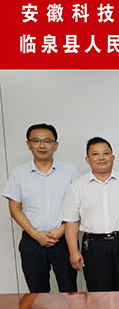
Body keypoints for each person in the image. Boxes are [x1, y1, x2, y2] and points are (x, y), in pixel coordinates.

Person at [2, 123, 81, 292]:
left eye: (47, 141)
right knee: (37, 293)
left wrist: (62, 230)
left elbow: (79, 206)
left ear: (56, 145)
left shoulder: (70, 171)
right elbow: (15, 208)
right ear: (28, 144)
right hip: (32, 240)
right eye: (36, 141)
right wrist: (36, 235)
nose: (42, 145)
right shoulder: (18, 173)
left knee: (69, 291)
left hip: (64, 240)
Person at [63, 137, 119, 291]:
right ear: (87, 159)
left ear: (113, 157)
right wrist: (73, 252)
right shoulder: (77, 187)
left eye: (105, 153)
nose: (101, 158)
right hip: (94, 246)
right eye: (95, 154)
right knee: (98, 294)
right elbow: (71, 222)